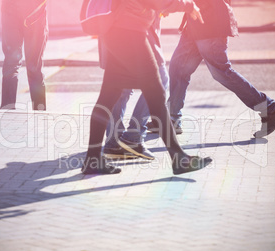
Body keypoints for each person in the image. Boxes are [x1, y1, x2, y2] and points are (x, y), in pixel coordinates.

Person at [81, 0, 212, 175]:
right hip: (130, 33)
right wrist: (187, 5)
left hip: (118, 32)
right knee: (156, 94)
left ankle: (93, 159)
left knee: (108, 96)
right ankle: (179, 158)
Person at [165, 0, 275, 138]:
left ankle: (270, 110)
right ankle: (172, 119)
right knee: (178, 68)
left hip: (210, 22)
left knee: (221, 72)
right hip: (194, 23)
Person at [102, 14, 168, 161]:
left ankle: (114, 141)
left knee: (121, 86)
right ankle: (133, 137)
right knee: (161, 79)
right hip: (135, 29)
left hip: (119, 30)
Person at [0, 0, 48, 111]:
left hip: (10, 10)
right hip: (35, 11)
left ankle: (7, 108)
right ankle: (39, 110)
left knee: (11, 64)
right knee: (34, 65)